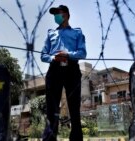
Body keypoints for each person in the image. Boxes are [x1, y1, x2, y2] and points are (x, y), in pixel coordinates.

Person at [41, 5, 87, 141]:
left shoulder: (77, 33)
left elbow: (82, 53)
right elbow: (43, 55)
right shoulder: (51, 33)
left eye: (58, 13)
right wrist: (53, 57)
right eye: (54, 14)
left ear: (66, 14)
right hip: (54, 69)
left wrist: (67, 54)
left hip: (72, 69)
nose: (55, 16)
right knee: (52, 108)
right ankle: (50, 138)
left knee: (74, 108)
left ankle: (76, 138)